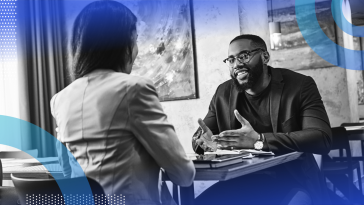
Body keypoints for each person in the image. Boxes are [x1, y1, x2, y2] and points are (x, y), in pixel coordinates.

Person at [50, 1, 195, 205]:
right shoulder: (134, 89)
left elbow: (66, 171)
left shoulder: (60, 98)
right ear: (121, 44)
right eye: (134, 41)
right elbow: (183, 174)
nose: (135, 51)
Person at [192, 34, 333, 205]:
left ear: (265, 57)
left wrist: (259, 140)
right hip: (240, 181)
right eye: (231, 59)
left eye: (244, 56)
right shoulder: (223, 93)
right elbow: (205, 137)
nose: (237, 64)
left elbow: (321, 137)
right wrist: (203, 144)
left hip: (291, 179)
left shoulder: (300, 85)